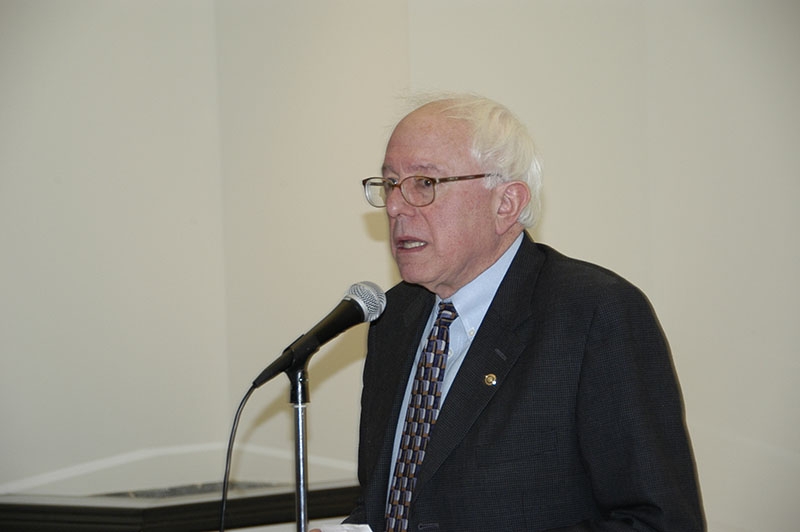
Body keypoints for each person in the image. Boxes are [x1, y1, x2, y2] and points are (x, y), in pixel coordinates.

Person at [335, 94, 704, 531]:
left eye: (424, 183)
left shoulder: (593, 314)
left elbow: (662, 522)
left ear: (506, 203)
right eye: (390, 184)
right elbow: (392, 500)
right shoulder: (393, 316)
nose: (396, 206)